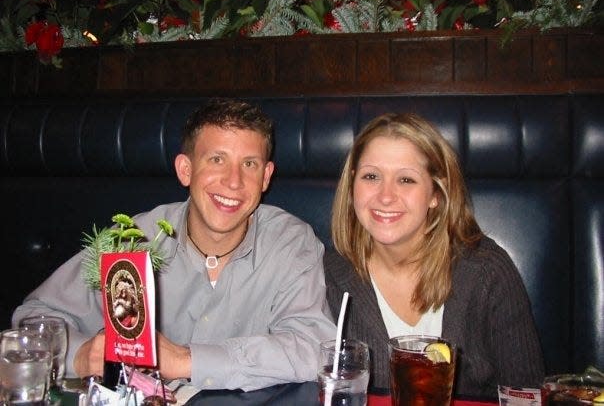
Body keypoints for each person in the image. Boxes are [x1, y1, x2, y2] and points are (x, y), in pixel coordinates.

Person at [13, 99, 336, 391]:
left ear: (266, 177)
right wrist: (81, 356)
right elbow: (35, 320)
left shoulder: (290, 242)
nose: (234, 181)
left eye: (249, 164)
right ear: (186, 169)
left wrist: (185, 360)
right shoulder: (132, 240)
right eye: (217, 159)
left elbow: (314, 347)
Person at [324, 112, 544, 398]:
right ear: (352, 186)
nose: (385, 195)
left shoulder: (487, 271)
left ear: (435, 194)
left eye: (406, 179)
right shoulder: (328, 273)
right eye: (371, 176)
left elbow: (526, 395)